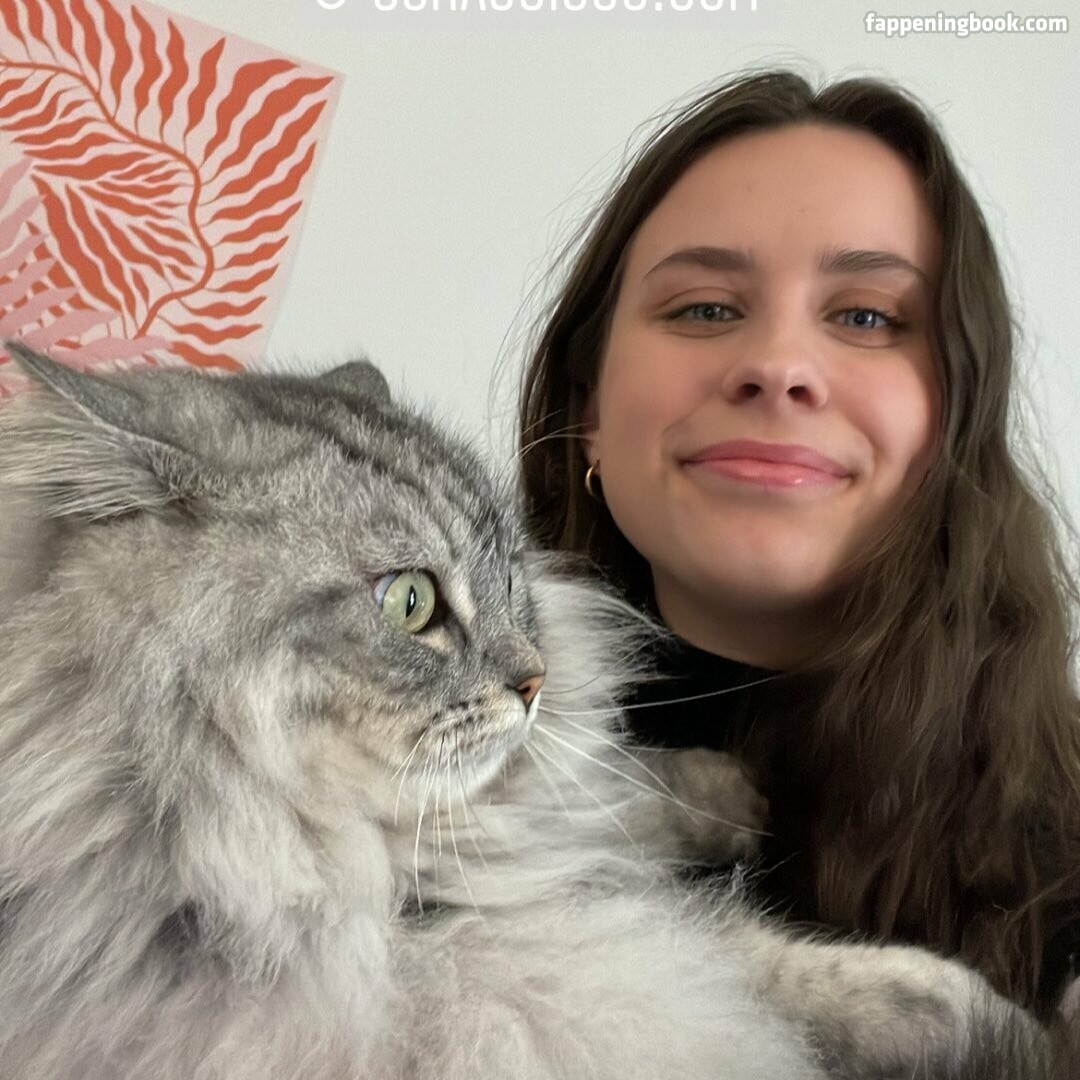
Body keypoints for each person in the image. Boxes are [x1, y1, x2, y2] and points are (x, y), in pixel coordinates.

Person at [516, 68, 1080, 1019]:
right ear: (590, 417)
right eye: (705, 308)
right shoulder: (378, 794)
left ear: (956, 423)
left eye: (866, 317)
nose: (777, 366)